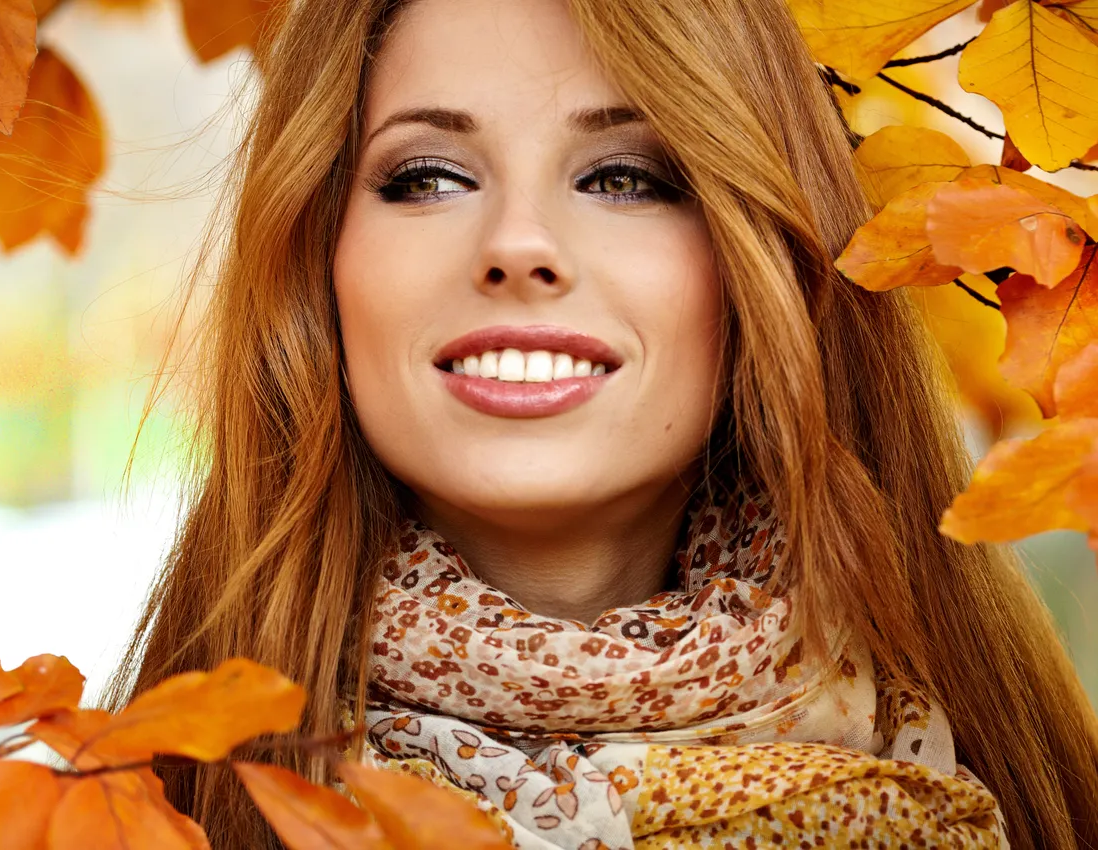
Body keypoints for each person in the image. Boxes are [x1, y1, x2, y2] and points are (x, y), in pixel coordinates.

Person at [106, 0, 1098, 846]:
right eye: (428, 177)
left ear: (768, 264)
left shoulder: (1002, 800)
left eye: (625, 177)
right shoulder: (121, 809)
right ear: (315, 262)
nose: (520, 246)